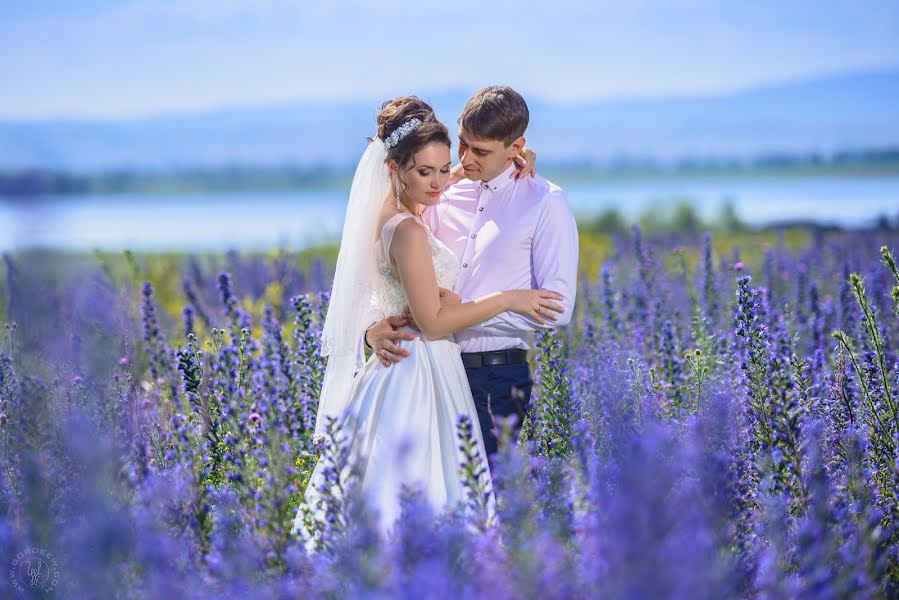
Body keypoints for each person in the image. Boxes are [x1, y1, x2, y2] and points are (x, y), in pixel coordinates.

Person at [292, 96, 565, 542]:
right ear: (395, 167)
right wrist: (510, 298)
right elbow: (434, 323)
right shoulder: (410, 229)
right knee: (434, 492)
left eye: (446, 167)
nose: (441, 181)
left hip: (406, 367)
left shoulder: (393, 211)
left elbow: (439, 178)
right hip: (422, 370)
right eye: (427, 171)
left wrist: (511, 159)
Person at [365, 86, 580, 459]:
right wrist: (371, 329)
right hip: (423, 372)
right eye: (463, 144)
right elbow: (388, 272)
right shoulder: (438, 190)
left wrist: (461, 313)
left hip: (494, 376)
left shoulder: (544, 201)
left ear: (517, 147)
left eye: (480, 151)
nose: (465, 158)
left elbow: (557, 310)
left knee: (483, 501)